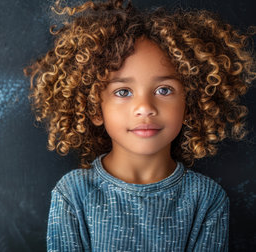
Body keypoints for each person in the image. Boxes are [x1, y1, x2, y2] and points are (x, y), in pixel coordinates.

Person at [23, 0, 255, 251]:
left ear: (190, 104)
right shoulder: (73, 194)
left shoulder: (207, 199)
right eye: (123, 92)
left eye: (164, 90)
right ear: (94, 108)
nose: (145, 107)